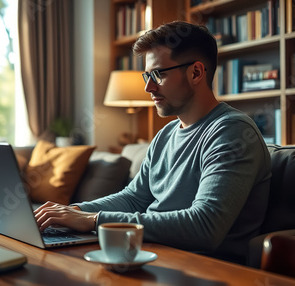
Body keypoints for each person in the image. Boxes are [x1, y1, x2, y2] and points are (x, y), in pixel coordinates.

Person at [34, 21, 271, 264]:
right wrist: (75, 211)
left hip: (204, 268)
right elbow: (134, 198)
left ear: (196, 72)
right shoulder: (166, 134)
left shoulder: (230, 131)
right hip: (151, 255)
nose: (149, 87)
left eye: (158, 74)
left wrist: (94, 220)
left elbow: (205, 226)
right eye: (147, 76)